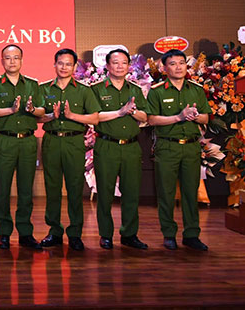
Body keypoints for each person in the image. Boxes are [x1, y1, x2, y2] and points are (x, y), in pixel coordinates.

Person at [147, 49, 211, 251]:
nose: (178, 67)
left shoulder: (196, 89)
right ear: (165, 68)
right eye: (173, 64)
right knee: (166, 193)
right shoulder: (157, 91)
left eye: (182, 63)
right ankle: (169, 234)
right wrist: (178, 117)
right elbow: (151, 119)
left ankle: (192, 234)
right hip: (167, 146)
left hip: (191, 147)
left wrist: (195, 116)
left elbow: (206, 118)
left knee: (190, 192)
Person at [38, 48, 100, 251]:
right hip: (52, 141)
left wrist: (72, 116)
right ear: (54, 64)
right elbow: (37, 118)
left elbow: (94, 118)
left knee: (74, 189)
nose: (64, 67)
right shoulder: (44, 89)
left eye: (68, 64)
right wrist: (51, 117)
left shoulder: (84, 90)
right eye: (60, 63)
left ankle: (75, 233)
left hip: (74, 142)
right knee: (52, 188)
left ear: (74, 67)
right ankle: (54, 231)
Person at [0, 44, 44, 250]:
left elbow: (42, 110)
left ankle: (26, 233)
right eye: (8, 58)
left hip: (28, 141)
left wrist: (32, 109)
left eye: (16, 58)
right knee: (2, 189)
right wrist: (10, 110)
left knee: (26, 189)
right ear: (2, 61)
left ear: (21, 60)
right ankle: (4, 233)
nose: (12, 61)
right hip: (4, 140)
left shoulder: (33, 84)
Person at [90, 48, 150, 250]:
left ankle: (129, 234)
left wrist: (133, 112)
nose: (120, 66)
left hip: (132, 146)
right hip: (107, 145)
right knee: (105, 193)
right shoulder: (96, 89)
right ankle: (105, 235)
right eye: (115, 62)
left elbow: (146, 117)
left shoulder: (135, 89)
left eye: (124, 63)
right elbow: (94, 117)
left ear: (129, 66)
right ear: (107, 66)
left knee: (131, 193)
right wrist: (119, 112)